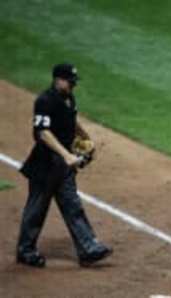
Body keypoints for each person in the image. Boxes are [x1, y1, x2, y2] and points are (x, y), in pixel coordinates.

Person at [16, 63, 112, 268]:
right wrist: (66, 155)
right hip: (45, 164)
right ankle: (25, 250)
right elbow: (43, 133)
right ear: (58, 79)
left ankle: (87, 248)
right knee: (37, 209)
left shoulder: (68, 98)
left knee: (72, 205)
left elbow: (72, 120)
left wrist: (87, 138)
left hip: (64, 166)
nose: (72, 86)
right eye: (70, 82)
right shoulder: (45, 101)